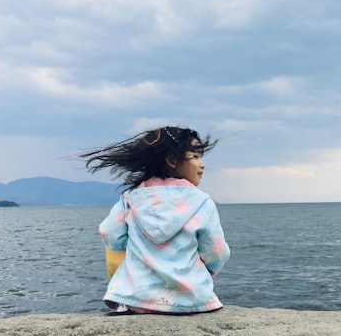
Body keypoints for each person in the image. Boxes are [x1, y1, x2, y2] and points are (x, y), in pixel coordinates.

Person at [81, 126, 230, 314]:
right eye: (195, 156)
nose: (202, 164)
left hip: (137, 299)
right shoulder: (202, 203)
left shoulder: (130, 198)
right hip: (192, 300)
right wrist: (207, 271)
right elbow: (217, 252)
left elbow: (111, 236)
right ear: (172, 161)